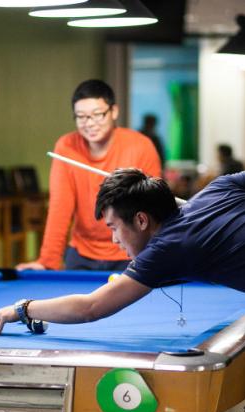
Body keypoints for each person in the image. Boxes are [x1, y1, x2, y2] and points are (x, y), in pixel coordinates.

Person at [0, 168, 245, 336]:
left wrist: (24, 308)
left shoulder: (165, 249)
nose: (114, 240)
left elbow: (90, 308)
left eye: (114, 228)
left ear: (142, 220)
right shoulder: (219, 188)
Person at [17, 79, 161, 272]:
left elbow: (153, 210)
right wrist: (47, 261)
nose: (90, 123)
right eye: (81, 117)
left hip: (131, 253)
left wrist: (154, 256)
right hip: (81, 254)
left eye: (98, 115)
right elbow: (60, 207)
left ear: (114, 112)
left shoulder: (141, 146)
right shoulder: (66, 146)